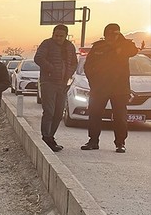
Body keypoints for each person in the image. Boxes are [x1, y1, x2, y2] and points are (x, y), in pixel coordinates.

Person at [80, 23, 139, 153]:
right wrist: (93, 83)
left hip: (119, 88)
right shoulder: (98, 47)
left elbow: (134, 51)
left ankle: (120, 143)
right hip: (100, 88)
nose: (112, 36)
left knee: (120, 117)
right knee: (94, 114)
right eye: (110, 34)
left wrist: (121, 39)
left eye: (115, 34)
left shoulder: (124, 46)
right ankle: (93, 141)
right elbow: (88, 66)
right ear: (105, 34)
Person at [34, 24, 77, 152]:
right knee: (49, 111)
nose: (58, 38)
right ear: (53, 34)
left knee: (59, 113)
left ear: (65, 36)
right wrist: (51, 69)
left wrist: (69, 73)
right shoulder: (47, 44)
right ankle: (46, 138)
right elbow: (38, 58)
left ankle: (51, 137)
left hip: (63, 84)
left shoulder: (70, 47)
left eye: (61, 36)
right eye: (56, 35)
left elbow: (74, 62)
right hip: (49, 82)